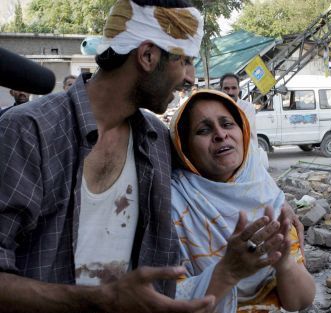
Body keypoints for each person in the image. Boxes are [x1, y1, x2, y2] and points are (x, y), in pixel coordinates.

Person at [0, 0, 216, 312]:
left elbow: (219, 170)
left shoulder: (155, 139)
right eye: (184, 61)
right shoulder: (28, 132)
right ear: (147, 56)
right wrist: (101, 299)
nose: (189, 78)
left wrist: (271, 203)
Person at [169, 89, 315, 312]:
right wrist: (228, 271)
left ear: (243, 132)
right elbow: (168, 303)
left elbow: (300, 302)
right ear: (184, 148)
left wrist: (284, 263)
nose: (220, 134)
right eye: (203, 130)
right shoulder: (173, 204)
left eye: (227, 124)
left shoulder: (265, 193)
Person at [220, 73, 257, 143]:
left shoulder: (248, 107)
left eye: (234, 88)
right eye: (226, 88)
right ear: (221, 90)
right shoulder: (217, 108)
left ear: (239, 89)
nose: (230, 92)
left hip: (247, 151)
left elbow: (242, 130)